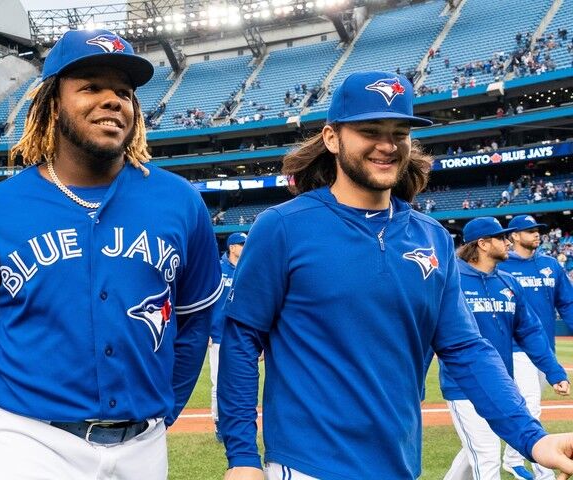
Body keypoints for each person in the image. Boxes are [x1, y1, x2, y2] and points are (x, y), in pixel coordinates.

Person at [0, 29, 223, 480]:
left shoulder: (180, 202)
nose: (112, 101)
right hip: (29, 445)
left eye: (124, 92)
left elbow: (194, 324)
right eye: (91, 87)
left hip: (144, 449)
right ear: (52, 104)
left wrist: (162, 413)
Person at [216, 71, 573, 480]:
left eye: (399, 133)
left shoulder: (433, 237)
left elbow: (465, 349)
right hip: (307, 464)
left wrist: (533, 438)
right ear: (332, 138)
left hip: (400, 462)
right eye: (370, 131)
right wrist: (242, 457)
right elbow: (242, 339)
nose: (387, 145)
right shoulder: (283, 226)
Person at [441, 217, 569, 480]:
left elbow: (530, 332)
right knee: (486, 454)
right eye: (500, 238)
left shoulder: (508, 282)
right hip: (462, 385)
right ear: (483, 244)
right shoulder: (451, 281)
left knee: (474, 452)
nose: (507, 241)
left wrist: (554, 371)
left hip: (500, 384)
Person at [500, 215, 573, 480]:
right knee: (530, 405)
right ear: (514, 236)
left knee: (528, 405)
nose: (536, 234)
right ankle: (542, 471)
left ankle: (511, 457)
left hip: (544, 350)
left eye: (537, 230)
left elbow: (567, 302)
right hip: (515, 347)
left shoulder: (550, 265)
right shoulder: (503, 265)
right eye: (529, 230)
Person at [210, 232, 247, 441]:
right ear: (232, 247)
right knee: (218, 382)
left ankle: (236, 424)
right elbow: (207, 300)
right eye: (241, 244)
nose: (245, 247)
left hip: (238, 334)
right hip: (217, 334)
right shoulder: (217, 269)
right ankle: (218, 423)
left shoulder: (246, 268)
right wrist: (206, 330)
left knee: (239, 383)